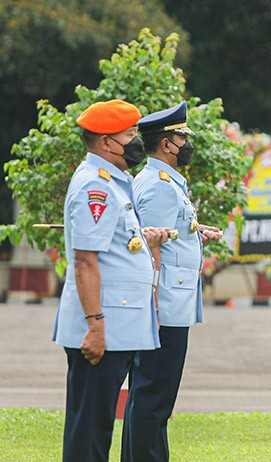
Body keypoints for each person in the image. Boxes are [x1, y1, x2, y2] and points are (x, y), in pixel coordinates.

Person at [53, 100, 168, 462]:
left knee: (97, 426)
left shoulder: (116, 182)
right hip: (103, 327)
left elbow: (116, 248)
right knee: (90, 431)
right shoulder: (95, 187)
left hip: (118, 326)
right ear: (106, 142)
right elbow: (85, 261)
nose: (137, 140)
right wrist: (96, 326)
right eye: (130, 134)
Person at [124, 101, 221, 461]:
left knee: (149, 396)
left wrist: (196, 232)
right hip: (163, 308)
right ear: (168, 143)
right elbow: (149, 248)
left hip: (164, 305)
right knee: (153, 397)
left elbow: (165, 234)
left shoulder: (158, 181)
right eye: (182, 137)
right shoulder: (161, 186)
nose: (187, 144)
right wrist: (152, 309)